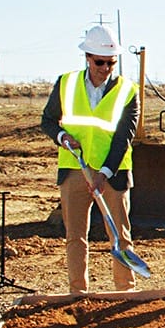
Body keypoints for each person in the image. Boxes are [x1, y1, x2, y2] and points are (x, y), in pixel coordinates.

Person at [41, 25, 140, 293]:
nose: (105, 68)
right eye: (100, 62)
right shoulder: (66, 84)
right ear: (87, 57)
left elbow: (124, 137)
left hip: (113, 172)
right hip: (75, 169)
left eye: (111, 63)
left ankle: (125, 292)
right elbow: (48, 121)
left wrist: (104, 172)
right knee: (75, 237)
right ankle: (78, 294)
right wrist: (62, 137)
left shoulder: (128, 90)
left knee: (120, 236)